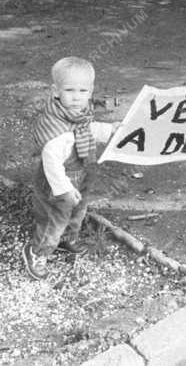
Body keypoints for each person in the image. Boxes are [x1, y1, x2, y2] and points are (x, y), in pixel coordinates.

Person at [23, 57, 116, 280]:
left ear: (91, 91)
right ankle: (37, 251)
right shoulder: (57, 126)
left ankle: (68, 240)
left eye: (83, 90)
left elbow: (87, 129)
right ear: (56, 91)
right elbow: (51, 160)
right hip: (58, 182)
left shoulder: (78, 115)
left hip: (82, 172)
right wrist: (63, 189)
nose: (76, 96)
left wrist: (110, 130)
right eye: (69, 90)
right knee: (55, 218)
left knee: (79, 209)